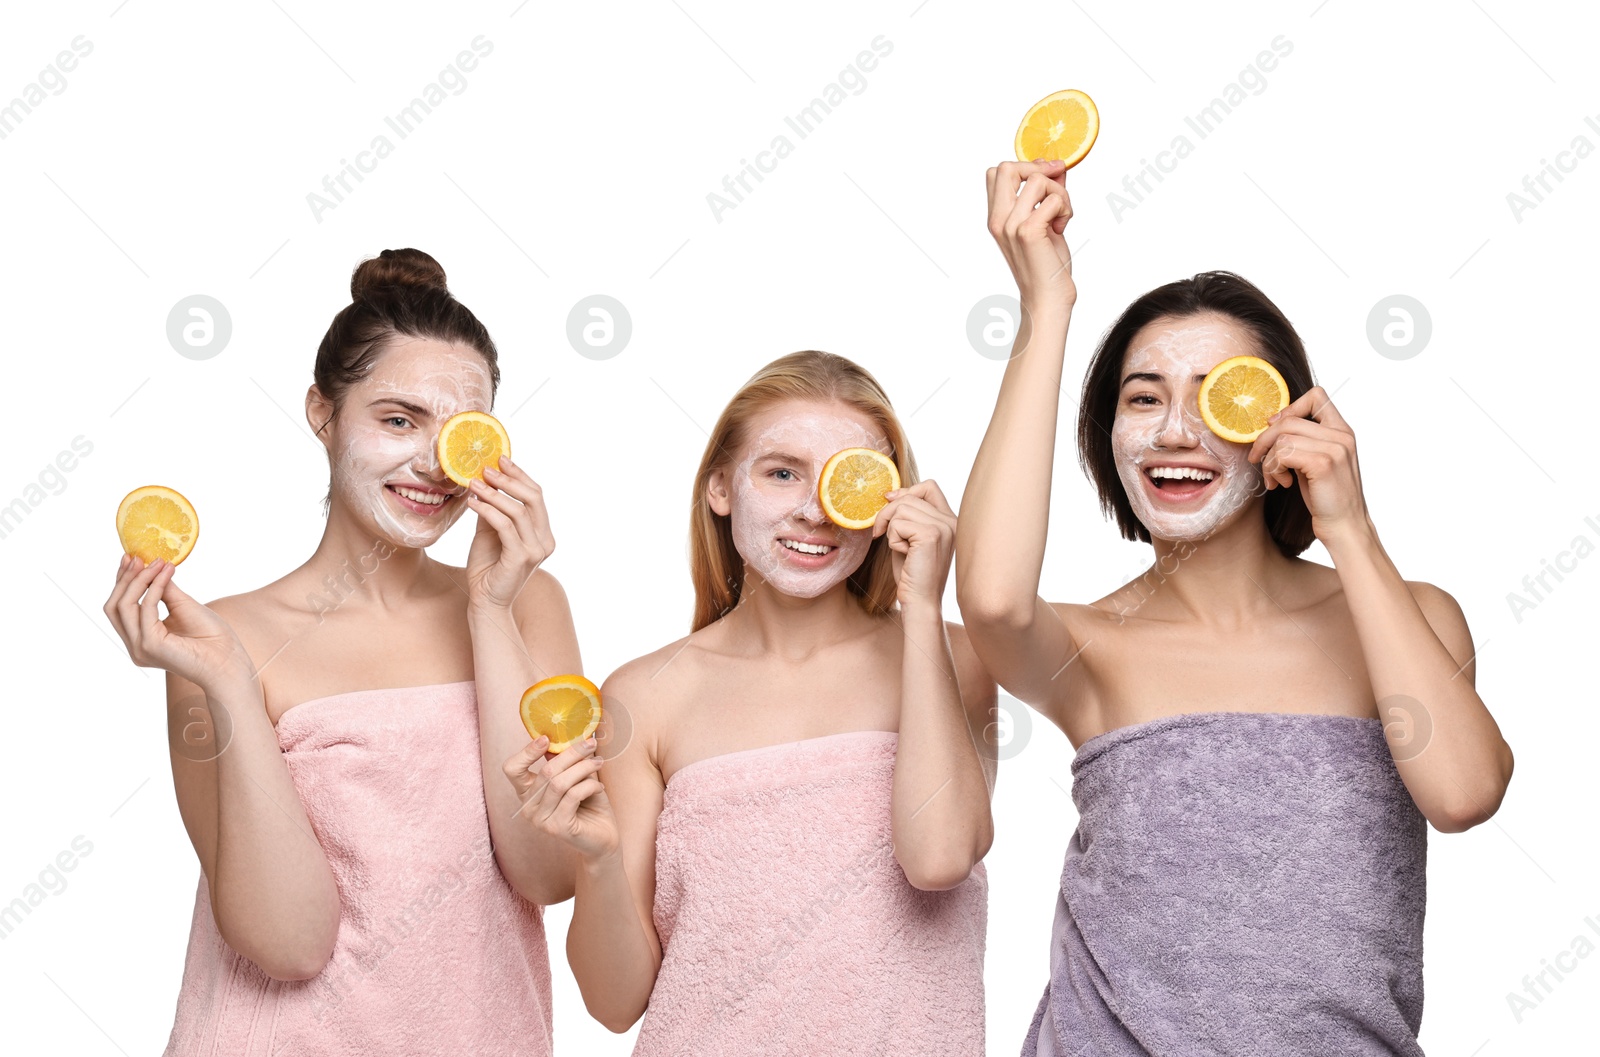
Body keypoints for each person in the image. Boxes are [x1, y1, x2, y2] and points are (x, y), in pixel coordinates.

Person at [958, 160, 1514, 1055]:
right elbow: (987, 595)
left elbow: (1464, 792)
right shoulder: (1093, 649)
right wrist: (1046, 305)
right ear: (1109, 435)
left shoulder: (1409, 620)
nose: (1175, 430)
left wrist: (1351, 527)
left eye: (1216, 396)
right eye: (1143, 398)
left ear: (1281, 424)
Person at [103, 248, 579, 1055]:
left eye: (459, 431)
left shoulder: (527, 602)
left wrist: (490, 610)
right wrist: (228, 682)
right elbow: (287, 942)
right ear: (323, 414)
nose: (433, 463)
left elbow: (548, 872)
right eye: (397, 419)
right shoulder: (223, 639)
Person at [503, 350, 994, 1056]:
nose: (814, 508)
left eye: (846, 479)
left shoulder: (956, 658)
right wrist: (601, 857)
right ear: (721, 488)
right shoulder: (646, 695)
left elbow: (940, 857)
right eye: (782, 471)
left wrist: (923, 605)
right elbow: (614, 1004)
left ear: (888, 500)